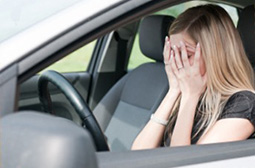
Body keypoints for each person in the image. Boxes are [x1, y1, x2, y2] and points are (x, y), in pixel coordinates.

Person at [132, 4, 255, 150]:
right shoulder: (188, 91)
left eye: (186, 55)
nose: (178, 63)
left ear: (215, 56)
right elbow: (138, 152)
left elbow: (182, 161)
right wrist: (173, 91)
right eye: (173, 53)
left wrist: (190, 95)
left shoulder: (244, 104)